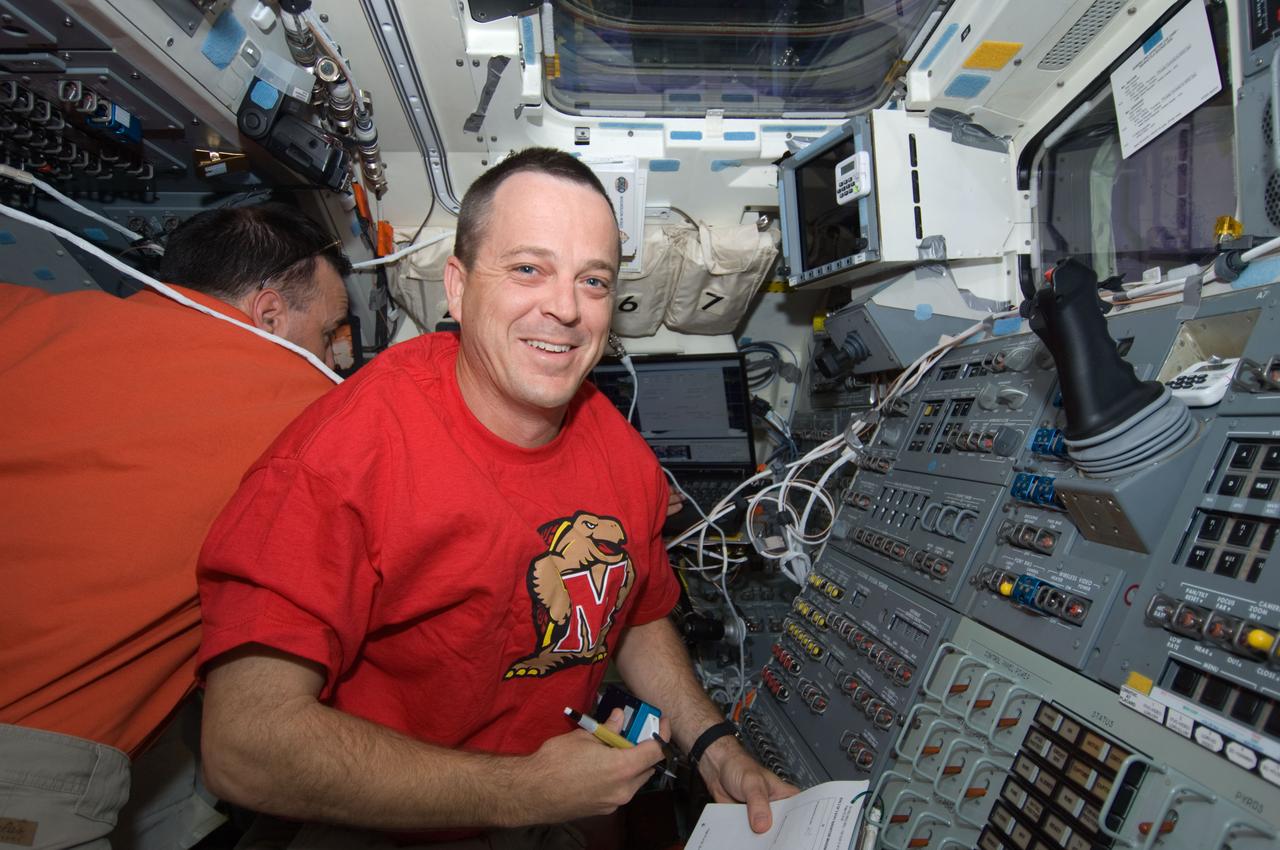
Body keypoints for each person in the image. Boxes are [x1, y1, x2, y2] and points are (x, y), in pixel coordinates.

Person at [196, 148, 795, 847]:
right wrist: (520, 793)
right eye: (528, 269)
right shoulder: (341, 459)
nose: (566, 308)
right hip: (383, 818)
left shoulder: (620, 453)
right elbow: (245, 745)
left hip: (547, 804)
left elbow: (635, 612)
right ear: (457, 287)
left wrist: (714, 747)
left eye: (594, 280)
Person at [0, 202, 351, 850]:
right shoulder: (313, 417)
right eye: (330, 332)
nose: (337, 356)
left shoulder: (23, 313)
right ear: (269, 315)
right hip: (25, 763)